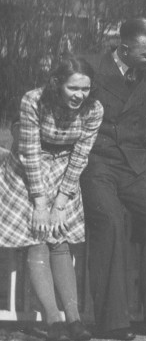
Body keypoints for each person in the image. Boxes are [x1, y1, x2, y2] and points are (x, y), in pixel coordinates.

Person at [80, 18, 146, 339]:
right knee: (110, 223)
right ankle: (112, 321)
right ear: (124, 49)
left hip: (137, 163)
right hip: (98, 162)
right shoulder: (93, 69)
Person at [0, 56, 103, 341]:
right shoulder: (33, 100)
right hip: (26, 171)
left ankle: (74, 319)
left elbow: (81, 154)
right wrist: (41, 204)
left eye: (85, 89)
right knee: (38, 236)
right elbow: (29, 153)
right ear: (58, 84)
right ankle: (53, 318)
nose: (80, 95)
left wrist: (60, 202)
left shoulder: (94, 109)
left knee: (60, 238)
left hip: (62, 170)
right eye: (73, 88)